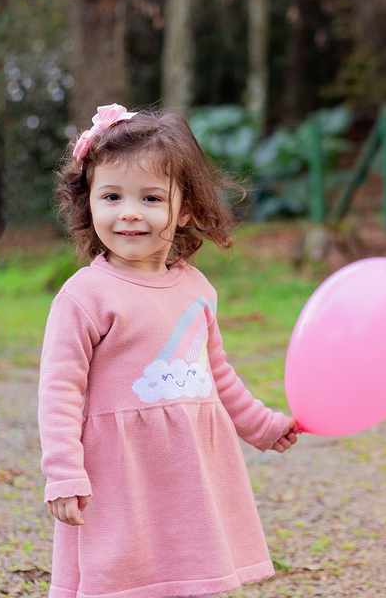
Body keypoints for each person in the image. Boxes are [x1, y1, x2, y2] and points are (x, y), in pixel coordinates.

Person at [38, 104, 300, 598]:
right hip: (119, 468)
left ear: (183, 209)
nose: (129, 212)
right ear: (88, 203)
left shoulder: (196, 288)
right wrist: (64, 472)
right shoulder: (84, 296)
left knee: (184, 567)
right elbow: (59, 391)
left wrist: (261, 425)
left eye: (151, 198)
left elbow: (217, 374)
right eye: (111, 196)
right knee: (120, 573)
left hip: (186, 463)